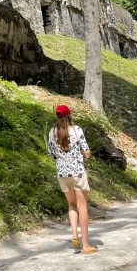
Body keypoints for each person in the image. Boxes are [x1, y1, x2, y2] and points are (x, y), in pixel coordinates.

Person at [47, 104, 97, 254]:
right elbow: (86, 151)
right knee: (82, 208)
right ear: (69, 115)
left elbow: (51, 154)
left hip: (62, 174)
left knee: (71, 205)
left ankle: (75, 236)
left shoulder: (52, 133)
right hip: (77, 173)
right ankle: (86, 245)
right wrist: (84, 157)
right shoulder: (76, 130)